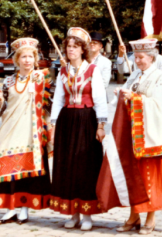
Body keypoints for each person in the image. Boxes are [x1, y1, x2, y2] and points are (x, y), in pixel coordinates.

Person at [112, 38, 162, 235]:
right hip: (134, 129)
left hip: (153, 131)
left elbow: (158, 104)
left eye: (141, 57)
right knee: (134, 174)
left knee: (151, 174)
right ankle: (134, 215)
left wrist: (134, 98)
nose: (137, 61)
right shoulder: (136, 74)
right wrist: (121, 92)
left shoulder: (161, 77)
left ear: (151, 58)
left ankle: (151, 217)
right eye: (135, 57)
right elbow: (127, 92)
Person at [50, 27, 107, 231]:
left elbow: (100, 99)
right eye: (68, 46)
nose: (71, 50)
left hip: (86, 120)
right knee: (68, 166)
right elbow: (58, 99)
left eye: (75, 46)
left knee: (85, 166)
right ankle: (73, 213)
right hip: (67, 121)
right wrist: (53, 125)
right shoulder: (63, 71)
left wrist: (101, 125)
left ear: (83, 49)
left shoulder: (92, 70)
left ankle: (87, 214)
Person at [0, 38, 52, 225]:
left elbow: (49, 104)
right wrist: (0, 100)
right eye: (23, 57)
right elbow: (3, 110)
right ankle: (10, 209)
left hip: (31, 131)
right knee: (8, 166)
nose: (27, 60)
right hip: (10, 128)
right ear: (17, 60)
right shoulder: (9, 81)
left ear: (35, 59)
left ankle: (24, 209)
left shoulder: (40, 78)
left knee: (27, 170)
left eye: (30, 57)